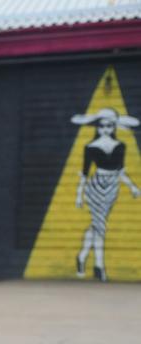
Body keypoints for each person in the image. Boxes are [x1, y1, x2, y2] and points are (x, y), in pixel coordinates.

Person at [71, 107, 140, 281]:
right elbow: (85, 173)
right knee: (100, 225)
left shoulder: (120, 146)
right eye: (102, 126)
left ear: (114, 127)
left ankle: (82, 257)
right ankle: (99, 266)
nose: (105, 129)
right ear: (97, 127)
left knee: (96, 225)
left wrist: (132, 187)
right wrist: (79, 195)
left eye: (109, 126)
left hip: (112, 187)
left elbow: (120, 171)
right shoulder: (90, 147)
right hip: (95, 186)